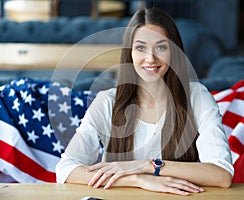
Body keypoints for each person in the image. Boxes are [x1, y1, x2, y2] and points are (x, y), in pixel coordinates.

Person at [55, 7, 234, 195]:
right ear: (129, 53)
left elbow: (222, 174)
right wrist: (138, 179)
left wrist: (148, 166)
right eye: (141, 47)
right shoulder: (107, 102)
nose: (150, 58)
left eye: (161, 47)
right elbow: (66, 168)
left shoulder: (197, 96)